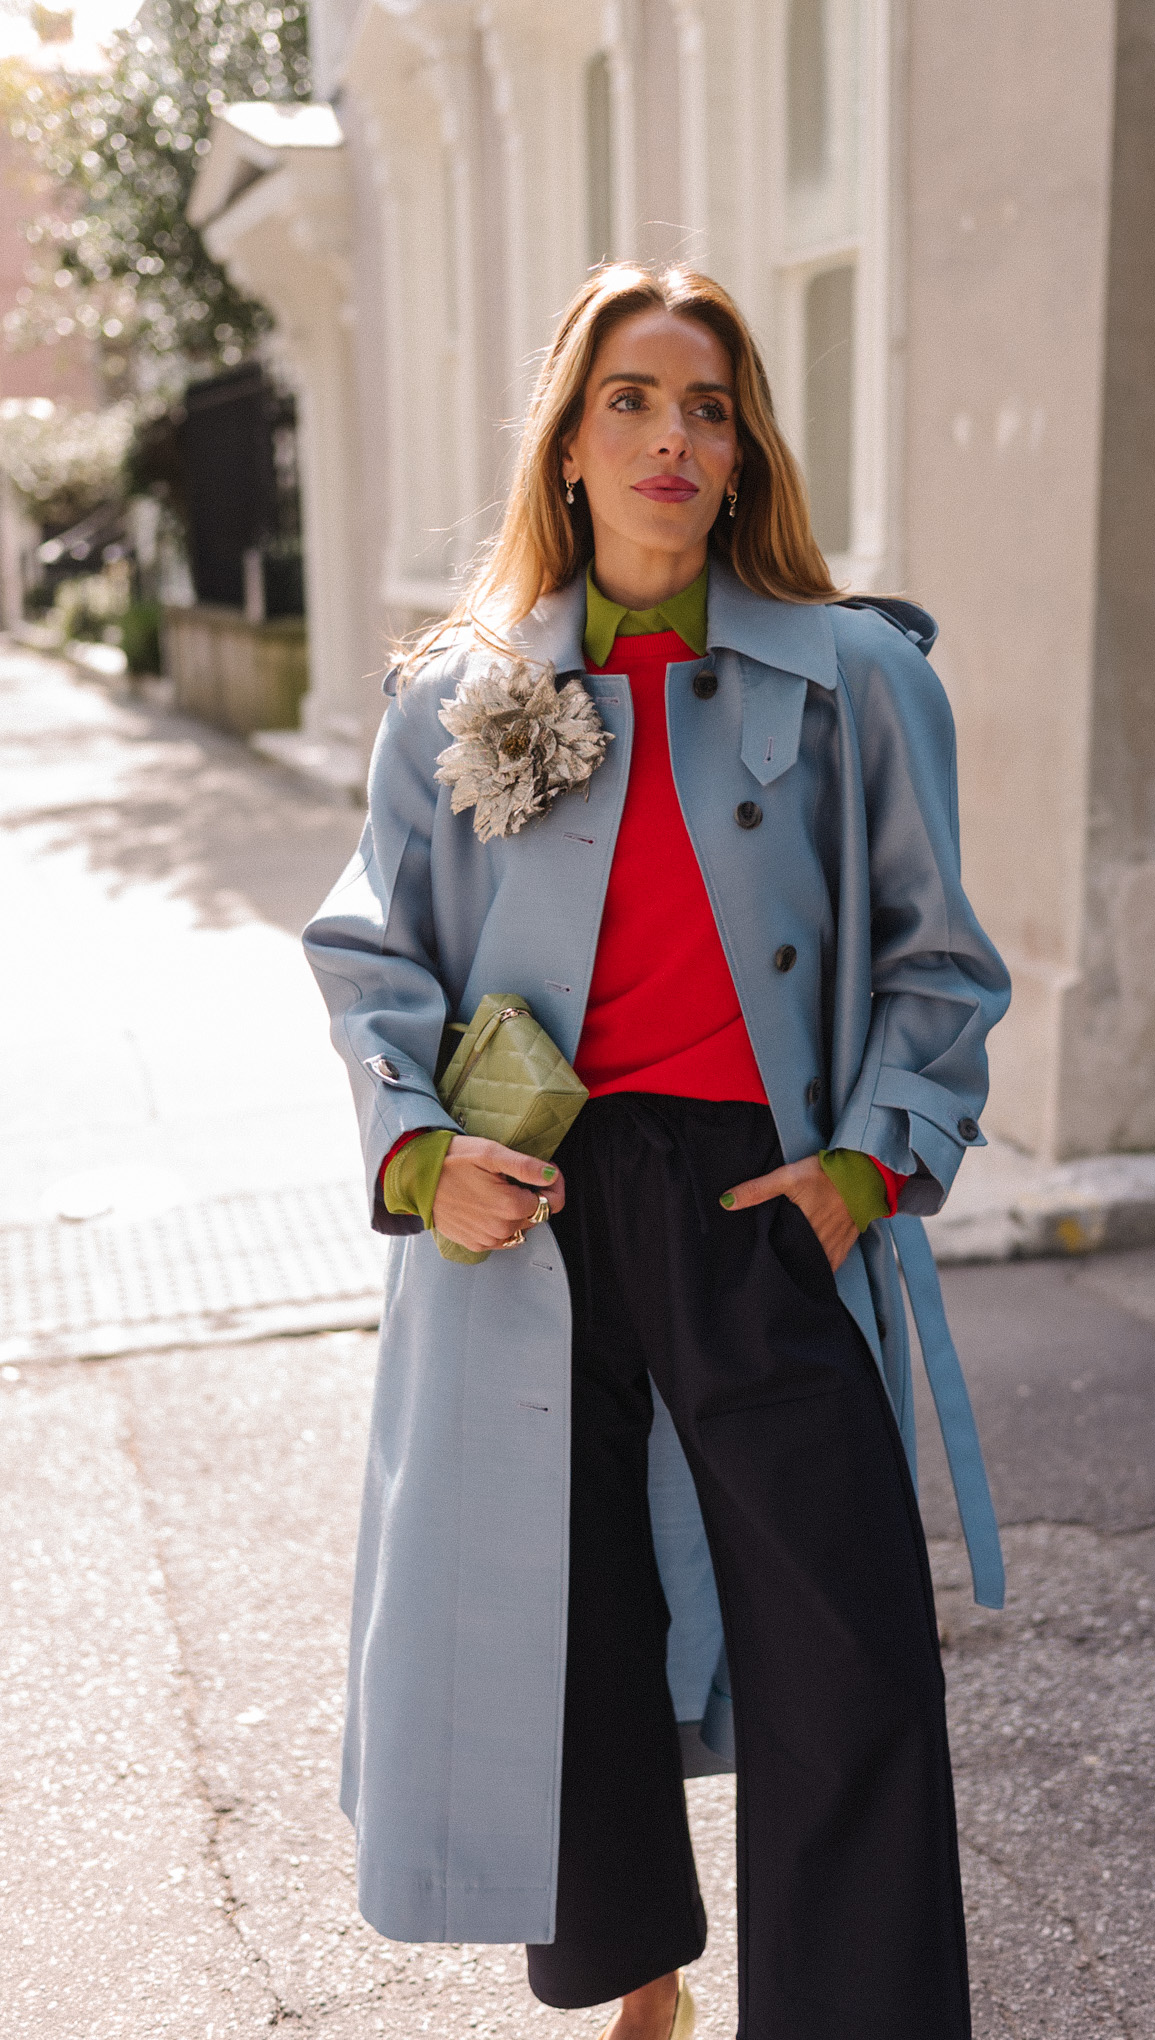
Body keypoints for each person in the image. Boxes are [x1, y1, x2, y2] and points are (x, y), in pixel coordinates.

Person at [303, 261, 1010, 2040]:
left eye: (708, 406)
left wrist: (865, 1171)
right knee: (570, 1628)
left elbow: (941, 963)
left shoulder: (856, 677)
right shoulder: (455, 691)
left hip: (763, 1203)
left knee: (847, 1641)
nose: (670, 438)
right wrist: (420, 1156)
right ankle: (644, 1984)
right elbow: (374, 952)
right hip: (535, 1209)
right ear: (567, 443)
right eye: (629, 400)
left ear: (744, 449)